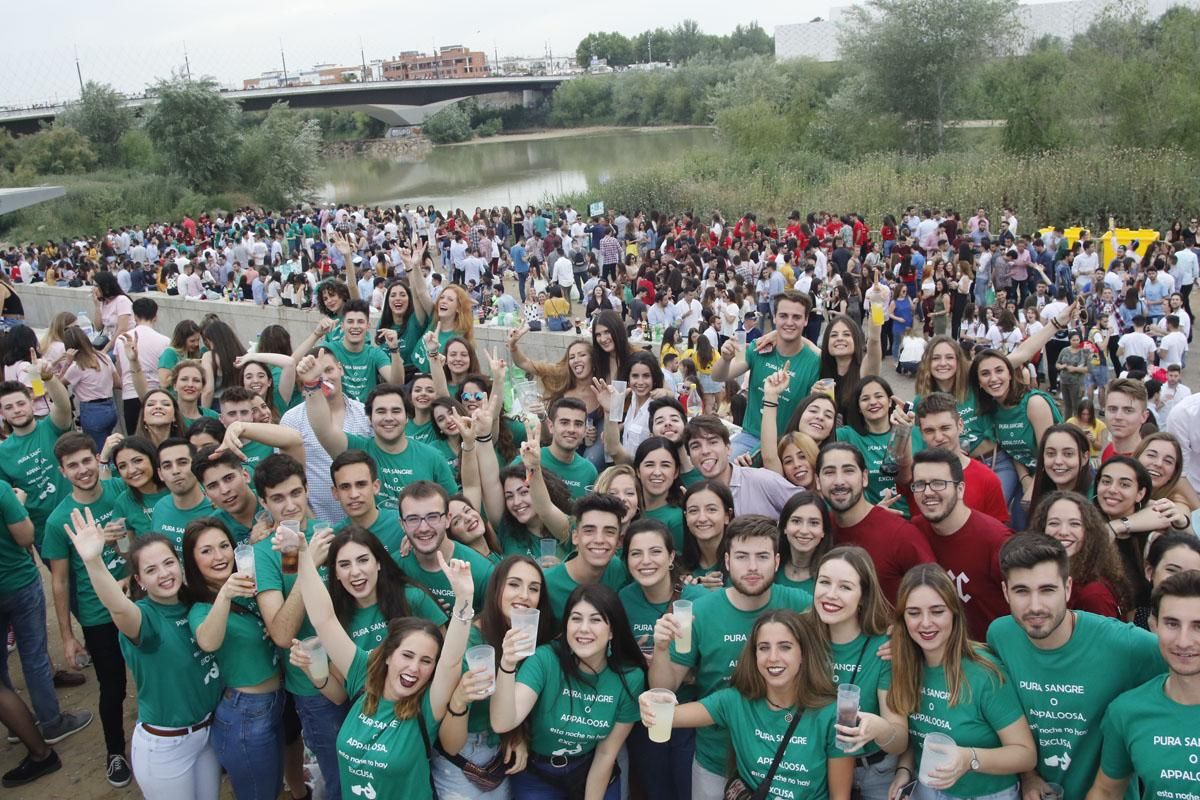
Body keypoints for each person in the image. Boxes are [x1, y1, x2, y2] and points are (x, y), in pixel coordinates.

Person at [289, 511, 475, 800]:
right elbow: (324, 619)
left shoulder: (427, 704)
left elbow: (450, 660)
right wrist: (303, 555)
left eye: (426, 661)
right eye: (407, 655)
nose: (414, 668)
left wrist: (464, 600)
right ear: (386, 655)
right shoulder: (364, 671)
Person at [988, 532, 1165, 799]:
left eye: (1047, 590)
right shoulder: (1000, 636)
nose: (1035, 606)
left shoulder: (1124, 644)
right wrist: (1029, 776)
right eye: (1021, 591)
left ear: (1068, 588)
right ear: (1005, 592)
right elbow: (1006, 717)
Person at [648, 515, 812, 800]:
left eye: (761, 556)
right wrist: (661, 649)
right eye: (741, 556)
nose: (751, 567)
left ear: (776, 561)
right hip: (715, 758)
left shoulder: (801, 606)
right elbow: (666, 688)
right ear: (726, 561)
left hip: (784, 760)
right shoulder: (701, 611)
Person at [62, 515, 222, 799]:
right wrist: (93, 562)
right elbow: (118, 606)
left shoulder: (194, 605)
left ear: (180, 564)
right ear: (140, 580)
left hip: (207, 736)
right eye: (151, 569)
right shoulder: (143, 619)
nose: (163, 574)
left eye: (168, 563)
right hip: (167, 747)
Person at [640, 610, 855, 800]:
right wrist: (660, 653)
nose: (773, 657)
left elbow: (840, 796)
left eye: (785, 647)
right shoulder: (734, 701)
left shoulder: (832, 714)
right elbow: (664, 716)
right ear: (754, 655)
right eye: (763, 648)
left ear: (804, 654)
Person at [886, 565, 1036, 800]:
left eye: (937, 611)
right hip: (927, 790)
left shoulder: (984, 673)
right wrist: (904, 771)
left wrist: (969, 758)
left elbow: (1025, 754)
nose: (925, 623)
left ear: (954, 613)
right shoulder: (906, 666)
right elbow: (918, 735)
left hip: (987, 794)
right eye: (914, 613)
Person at [492, 583, 646, 800]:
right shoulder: (544, 660)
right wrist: (507, 664)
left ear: (612, 631)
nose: (583, 628)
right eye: (575, 618)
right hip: (537, 774)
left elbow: (605, 754)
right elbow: (503, 722)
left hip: (588, 768)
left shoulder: (630, 677)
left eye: (595, 619)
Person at [184, 517, 284, 800]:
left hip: (274, 704)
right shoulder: (202, 608)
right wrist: (225, 595)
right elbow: (208, 640)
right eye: (206, 551)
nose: (219, 556)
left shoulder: (247, 588)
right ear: (192, 561)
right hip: (244, 717)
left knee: (273, 791)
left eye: (224, 546)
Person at [1086, 571, 1200, 799]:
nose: (1184, 641)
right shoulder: (1127, 711)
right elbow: (1106, 791)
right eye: (1172, 624)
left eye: (1199, 626)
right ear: (1153, 625)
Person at [812, 547, 910, 800]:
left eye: (845, 587)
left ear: (864, 596)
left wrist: (879, 729)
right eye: (824, 582)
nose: (830, 594)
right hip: (816, 765)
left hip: (873, 772)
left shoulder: (884, 649)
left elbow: (900, 740)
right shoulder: (802, 637)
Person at [617, 519, 704, 800]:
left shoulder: (699, 599)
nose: (645, 561)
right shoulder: (623, 600)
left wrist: (690, 672)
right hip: (646, 720)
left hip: (691, 719)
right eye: (636, 553)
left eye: (655, 552)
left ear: (671, 557)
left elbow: (716, 661)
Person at [909, 449, 1013, 640]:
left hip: (990, 653)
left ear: (960, 489)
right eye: (920, 485)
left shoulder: (995, 539)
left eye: (939, 484)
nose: (928, 492)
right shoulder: (914, 532)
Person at [816, 443, 934, 603]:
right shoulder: (817, 531)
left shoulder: (900, 534)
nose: (839, 481)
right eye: (829, 472)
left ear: (864, 478)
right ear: (818, 481)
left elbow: (936, 593)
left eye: (848, 471)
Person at [712, 291, 821, 458]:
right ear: (774, 318)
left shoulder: (814, 362)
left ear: (806, 320)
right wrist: (725, 359)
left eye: (796, 317)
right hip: (750, 438)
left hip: (788, 444)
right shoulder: (760, 346)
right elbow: (718, 376)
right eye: (783, 316)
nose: (789, 322)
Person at [908, 392, 1008, 523]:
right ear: (921, 433)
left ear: (960, 425)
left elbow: (998, 534)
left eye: (945, 428)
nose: (938, 437)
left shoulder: (987, 479)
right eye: (929, 431)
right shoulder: (913, 476)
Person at [683, 414, 796, 517]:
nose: (705, 451)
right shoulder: (698, 497)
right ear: (690, 457)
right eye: (695, 446)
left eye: (712, 442)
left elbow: (807, 505)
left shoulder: (762, 480)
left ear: (728, 448)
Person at [149, 439, 216, 552]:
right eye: (167, 466)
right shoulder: (160, 507)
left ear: (195, 465)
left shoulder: (215, 508)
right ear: (160, 474)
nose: (175, 471)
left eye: (182, 462)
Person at [1131, 532, 1200, 629]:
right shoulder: (1131, 621)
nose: (1181, 579)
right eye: (1172, 570)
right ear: (1150, 571)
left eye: (1192, 574)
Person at [774, 491, 835, 595]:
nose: (804, 531)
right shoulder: (770, 569)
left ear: (823, 531)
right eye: (796, 521)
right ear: (784, 527)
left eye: (814, 523)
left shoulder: (832, 576)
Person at [1101, 378, 1150, 462]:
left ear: (1144, 417)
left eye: (1128, 410)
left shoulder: (1148, 462)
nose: (1118, 416)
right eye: (1112, 409)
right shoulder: (1108, 451)